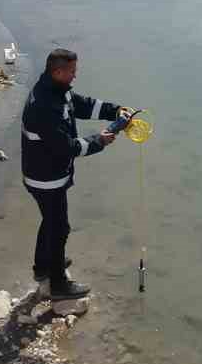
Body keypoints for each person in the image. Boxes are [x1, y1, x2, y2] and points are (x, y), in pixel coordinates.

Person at [21, 48, 130, 300]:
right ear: (58, 72)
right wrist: (99, 141)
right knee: (60, 228)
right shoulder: (46, 106)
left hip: (45, 174)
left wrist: (115, 111)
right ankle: (58, 285)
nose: (75, 76)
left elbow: (80, 104)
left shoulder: (57, 90)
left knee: (50, 221)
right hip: (46, 178)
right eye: (72, 71)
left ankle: (43, 267)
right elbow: (65, 148)